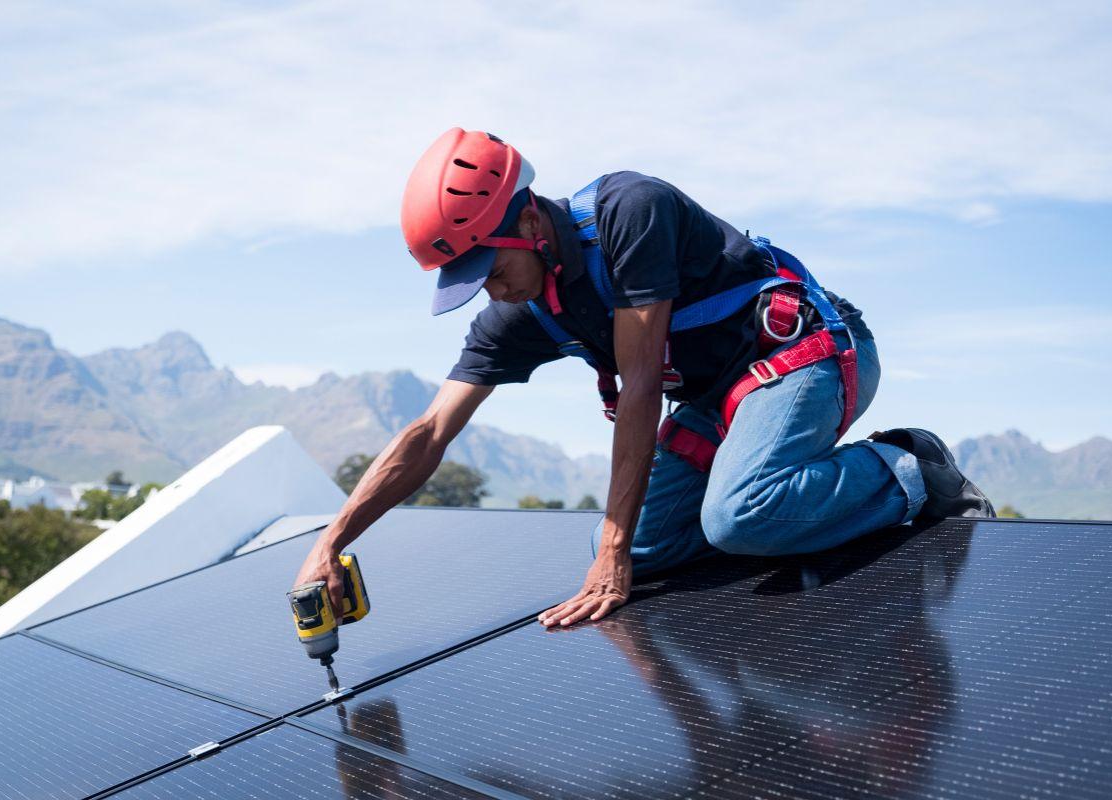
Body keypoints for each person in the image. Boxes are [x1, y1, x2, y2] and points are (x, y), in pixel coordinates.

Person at [292, 128, 994, 629]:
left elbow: (641, 386)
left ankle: (907, 467)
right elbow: (427, 435)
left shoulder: (631, 212)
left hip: (811, 352)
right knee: (652, 546)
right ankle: (787, 501)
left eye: (492, 270)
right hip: (725, 400)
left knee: (735, 516)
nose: (493, 293)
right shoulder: (519, 315)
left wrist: (610, 550)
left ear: (528, 222)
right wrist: (333, 540)